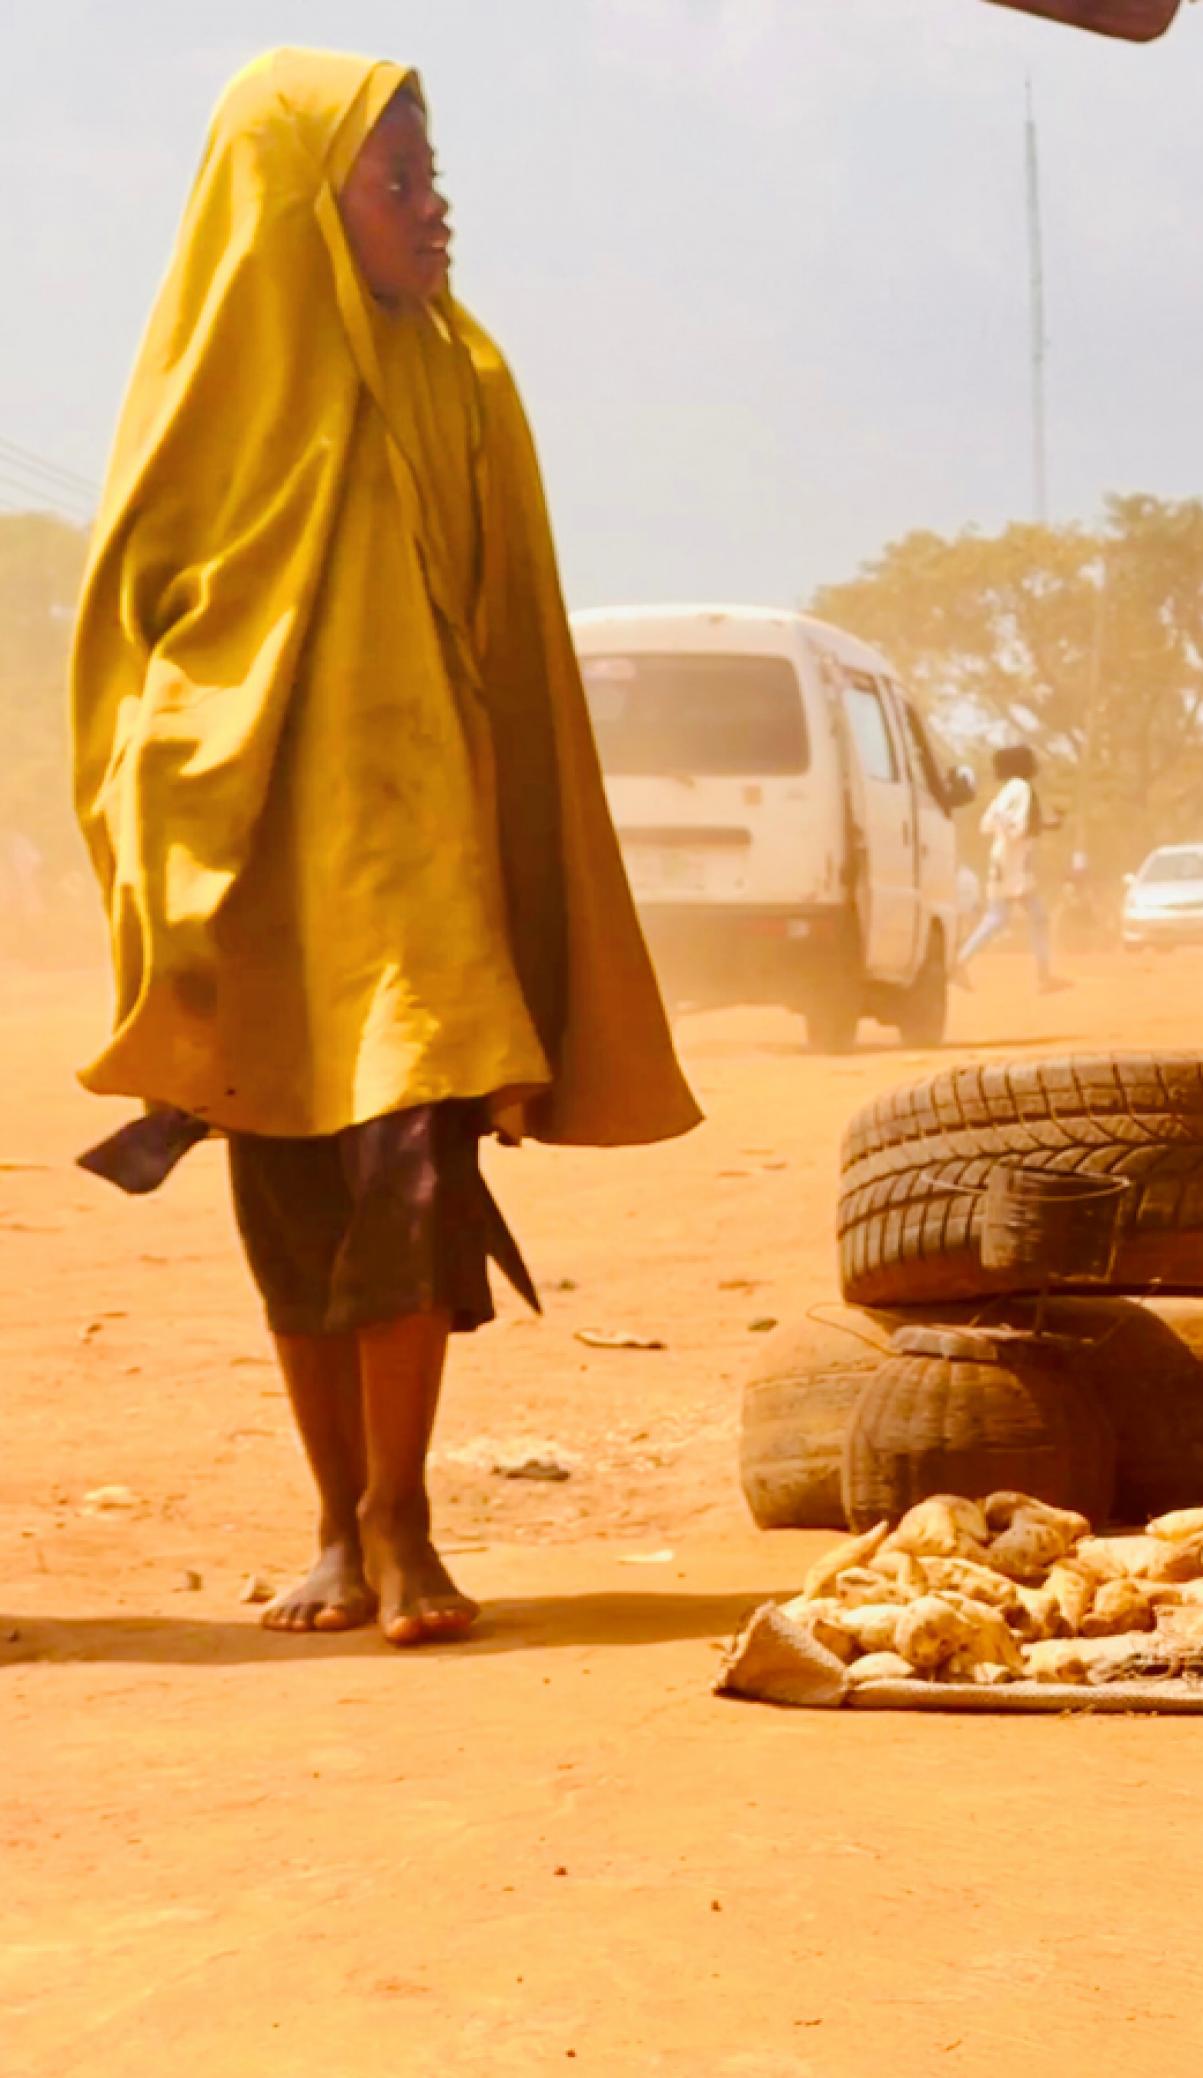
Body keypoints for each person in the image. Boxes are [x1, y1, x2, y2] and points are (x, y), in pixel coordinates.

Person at [68, 51, 700, 1645]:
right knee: (291, 1204)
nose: (435, 211)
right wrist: (169, 825)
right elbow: (129, 641)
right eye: (399, 185)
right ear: (300, 203)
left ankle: (399, 1513)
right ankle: (330, 1527)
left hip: (420, 879)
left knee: (410, 1185)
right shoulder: (206, 393)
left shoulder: (463, 377)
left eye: (432, 179)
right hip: (266, 876)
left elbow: (508, 634)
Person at [957, 743, 1069, 992]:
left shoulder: (1008, 790)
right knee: (1033, 918)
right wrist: (1030, 829)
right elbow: (1018, 826)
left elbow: (989, 823)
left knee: (999, 917)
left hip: (1002, 858)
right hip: (1013, 861)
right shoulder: (1022, 788)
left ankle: (961, 961)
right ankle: (1043, 977)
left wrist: (1047, 824)